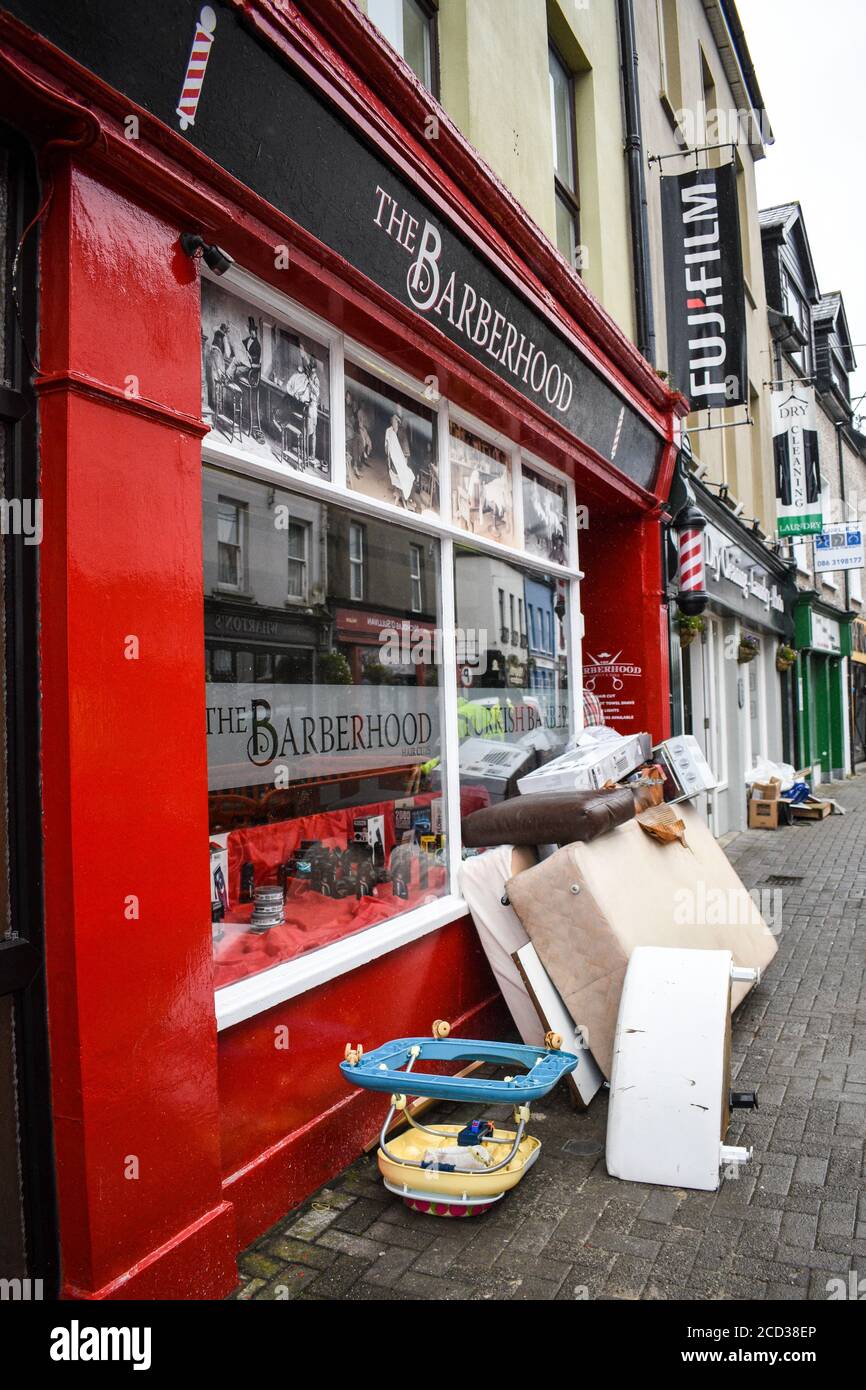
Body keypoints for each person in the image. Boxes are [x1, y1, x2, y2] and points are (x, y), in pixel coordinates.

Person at [384, 412, 415, 506]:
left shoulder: (401, 434)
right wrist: (389, 454)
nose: (394, 424)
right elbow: (387, 447)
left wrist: (404, 461)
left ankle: (405, 495)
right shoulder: (389, 432)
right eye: (393, 422)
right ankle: (398, 492)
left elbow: (405, 451)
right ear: (391, 423)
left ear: (398, 423)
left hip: (400, 461)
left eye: (396, 423)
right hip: (393, 462)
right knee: (397, 473)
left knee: (408, 475)